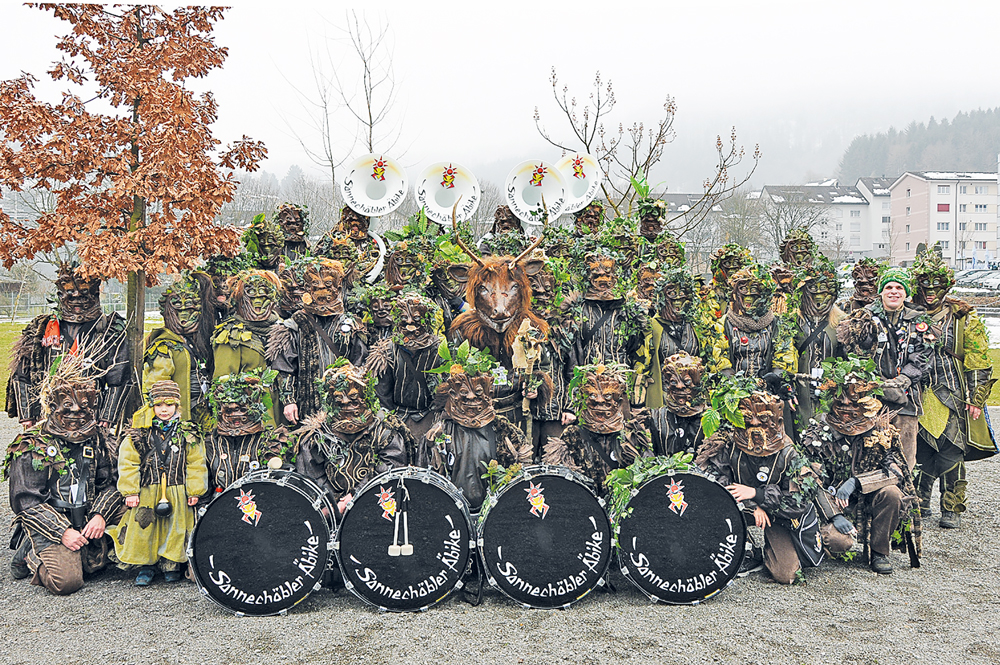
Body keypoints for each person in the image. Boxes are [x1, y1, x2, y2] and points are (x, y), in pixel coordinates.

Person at [4, 357, 124, 594]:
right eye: (67, 406)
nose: (76, 413)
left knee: (139, 517)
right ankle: (32, 554)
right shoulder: (32, 445)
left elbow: (111, 482)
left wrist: (100, 515)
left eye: (83, 407)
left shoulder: (98, 438)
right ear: (52, 406)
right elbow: (27, 502)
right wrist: (62, 532)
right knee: (67, 582)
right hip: (54, 520)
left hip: (88, 513)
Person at [798, 360, 920, 574]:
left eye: (854, 404)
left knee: (892, 493)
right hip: (835, 503)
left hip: (868, 500)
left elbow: (896, 472)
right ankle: (823, 537)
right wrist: (834, 514)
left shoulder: (880, 432)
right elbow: (810, 479)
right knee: (838, 543)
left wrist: (857, 482)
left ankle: (879, 552)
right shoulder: (818, 433)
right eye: (841, 404)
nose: (846, 409)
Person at [696, 383, 822, 584]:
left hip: (778, 517)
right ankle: (747, 549)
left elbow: (797, 504)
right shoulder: (728, 445)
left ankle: (773, 548)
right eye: (747, 419)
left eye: (763, 419)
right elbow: (716, 483)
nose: (754, 424)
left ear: (776, 420)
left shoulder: (789, 453)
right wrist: (752, 506)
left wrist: (758, 495)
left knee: (785, 574)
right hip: (739, 508)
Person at [910, 247, 996, 529]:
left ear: (947, 286)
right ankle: (919, 502)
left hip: (953, 394)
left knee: (952, 449)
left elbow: (978, 359)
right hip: (917, 392)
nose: (931, 292)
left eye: (937, 286)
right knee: (919, 448)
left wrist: (976, 398)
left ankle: (952, 506)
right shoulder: (909, 314)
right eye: (926, 286)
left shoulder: (963, 318)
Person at [7, 262, 129, 432]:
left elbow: (120, 377)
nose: (77, 297)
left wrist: (107, 416)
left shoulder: (108, 329)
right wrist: (27, 414)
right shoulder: (42, 328)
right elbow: (23, 373)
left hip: (90, 416)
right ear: (60, 294)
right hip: (49, 413)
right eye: (70, 292)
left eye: (84, 292)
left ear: (95, 293)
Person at [107, 380, 207, 585]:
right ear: (151, 406)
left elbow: (196, 462)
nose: (164, 410)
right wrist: (130, 491)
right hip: (147, 489)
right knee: (145, 528)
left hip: (177, 489)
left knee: (175, 528)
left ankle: (171, 564)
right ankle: (147, 565)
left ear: (177, 406)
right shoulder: (139, 432)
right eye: (159, 405)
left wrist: (194, 490)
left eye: (169, 405)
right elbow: (128, 462)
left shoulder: (187, 432)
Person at [418, 342, 533, 512]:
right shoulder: (441, 431)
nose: (471, 398)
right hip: (452, 512)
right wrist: (430, 445)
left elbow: (522, 477)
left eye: (478, 393)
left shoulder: (504, 432)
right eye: (464, 393)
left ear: (489, 394)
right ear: (453, 395)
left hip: (494, 512)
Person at [837, 267, 930, 472]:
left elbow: (922, 356)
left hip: (906, 402)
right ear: (881, 292)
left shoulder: (919, 320)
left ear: (906, 293)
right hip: (872, 401)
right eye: (888, 287)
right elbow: (854, 354)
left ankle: (904, 501)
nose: (894, 292)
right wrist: (876, 382)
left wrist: (904, 379)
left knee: (905, 460)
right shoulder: (864, 318)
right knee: (870, 457)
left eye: (899, 287)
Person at [294, 360, 411, 512]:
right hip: (331, 508)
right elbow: (312, 476)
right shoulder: (318, 436)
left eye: (353, 399)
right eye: (339, 401)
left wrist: (356, 495)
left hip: (373, 506)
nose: (346, 405)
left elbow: (391, 469)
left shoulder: (384, 432)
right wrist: (333, 503)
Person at [268, 257, 366, 425]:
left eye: (328, 285)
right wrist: (289, 400)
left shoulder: (351, 325)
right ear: (308, 289)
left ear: (337, 288)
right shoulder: (295, 324)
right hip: (307, 406)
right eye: (316, 284)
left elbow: (361, 364)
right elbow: (285, 367)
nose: (321, 289)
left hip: (344, 406)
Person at [544, 362, 652, 492]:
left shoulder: (631, 435)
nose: (600, 401)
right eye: (593, 395)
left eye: (607, 396)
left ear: (618, 400)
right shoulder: (573, 435)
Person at [366, 292, 446, 443]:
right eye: (404, 318)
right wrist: (388, 420)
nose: (409, 323)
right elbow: (382, 393)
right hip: (397, 417)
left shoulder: (440, 350)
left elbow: (446, 392)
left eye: (416, 318)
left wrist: (439, 421)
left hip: (429, 416)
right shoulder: (388, 350)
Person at [140, 272, 216, 426]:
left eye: (189, 309)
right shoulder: (164, 346)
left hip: (203, 410)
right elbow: (156, 387)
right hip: (180, 418)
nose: (184, 317)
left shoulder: (198, 340)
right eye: (178, 310)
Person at [203, 369, 293, 498]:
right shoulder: (212, 441)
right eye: (229, 410)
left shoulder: (267, 441)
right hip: (220, 503)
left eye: (241, 409)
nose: (235, 416)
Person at [212, 269, 283, 424]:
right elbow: (223, 384)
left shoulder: (282, 329)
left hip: (283, 411)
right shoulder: (231, 335)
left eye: (263, 295)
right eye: (252, 296)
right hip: (250, 416)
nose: (257, 301)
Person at [792, 257, 846, 432]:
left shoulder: (842, 321)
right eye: (813, 290)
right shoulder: (792, 321)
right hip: (799, 393)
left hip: (830, 392)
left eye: (825, 291)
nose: (819, 297)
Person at [648, 351, 707, 456]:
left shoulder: (709, 417)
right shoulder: (656, 417)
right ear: (667, 384)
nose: (680, 386)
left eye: (687, 382)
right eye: (674, 382)